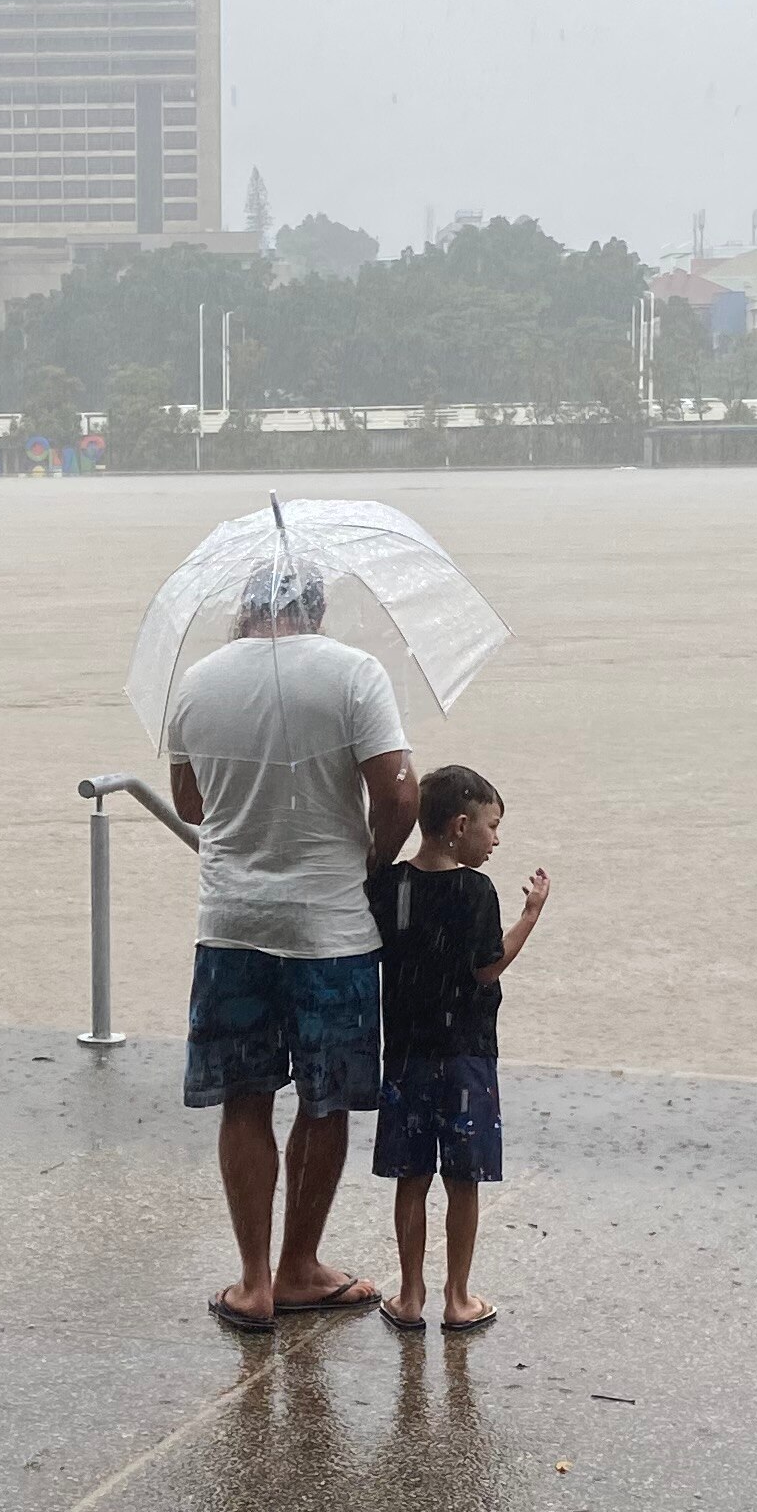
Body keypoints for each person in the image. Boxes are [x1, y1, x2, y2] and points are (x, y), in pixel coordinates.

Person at [167, 556, 419, 1330]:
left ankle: (252, 1284)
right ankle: (300, 1267)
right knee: (325, 1098)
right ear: (317, 610)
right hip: (331, 929)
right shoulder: (353, 673)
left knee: (244, 1099)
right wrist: (373, 859)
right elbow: (399, 791)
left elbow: (190, 803)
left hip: (231, 925)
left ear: (244, 609)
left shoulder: (197, 683)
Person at [370, 764, 548, 1331]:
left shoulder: (388, 885)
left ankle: (410, 1295)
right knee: (462, 1179)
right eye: (492, 827)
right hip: (467, 1056)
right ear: (461, 825)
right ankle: (458, 1297)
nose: (496, 840)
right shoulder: (475, 891)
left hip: (406, 1054)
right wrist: (530, 915)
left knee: (412, 1176)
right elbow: (485, 968)